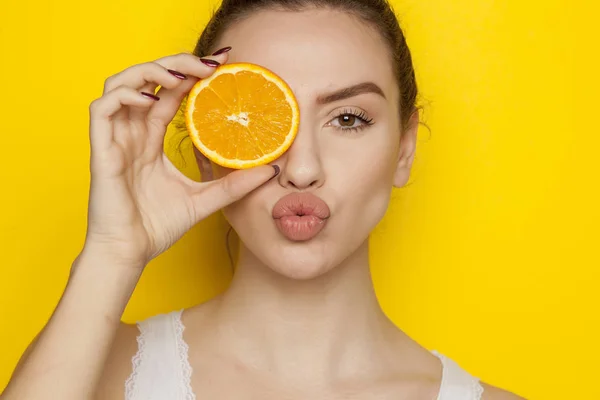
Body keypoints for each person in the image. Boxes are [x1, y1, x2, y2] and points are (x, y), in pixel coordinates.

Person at [1, 0, 525, 399]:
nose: (301, 170)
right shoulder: (97, 376)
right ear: (209, 148)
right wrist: (113, 251)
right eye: (250, 120)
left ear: (405, 148)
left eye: (348, 119)